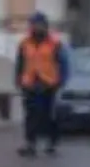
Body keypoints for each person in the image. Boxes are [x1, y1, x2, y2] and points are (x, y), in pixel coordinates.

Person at [15, 11, 69, 157]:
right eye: (33, 24)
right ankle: (30, 144)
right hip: (30, 83)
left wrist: (61, 81)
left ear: (45, 26)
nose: (36, 27)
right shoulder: (24, 43)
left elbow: (63, 63)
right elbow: (20, 63)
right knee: (30, 115)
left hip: (48, 83)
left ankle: (51, 143)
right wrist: (18, 80)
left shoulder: (55, 44)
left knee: (48, 115)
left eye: (39, 25)